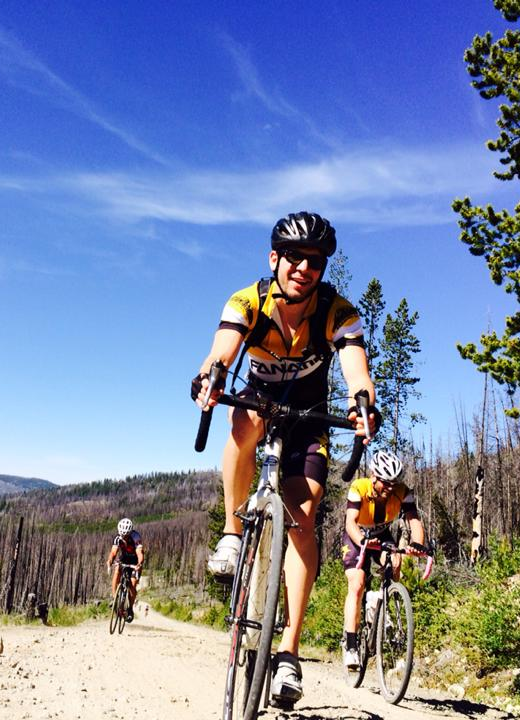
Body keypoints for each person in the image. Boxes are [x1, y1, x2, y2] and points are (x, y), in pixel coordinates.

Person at [192, 211, 378, 706]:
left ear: (322, 267)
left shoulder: (337, 311)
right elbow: (222, 349)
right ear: (274, 258)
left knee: (306, 509)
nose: (303, 267)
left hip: (310, 415)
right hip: (260, 401)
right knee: (243, 422)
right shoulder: (248, 300)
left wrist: (363, 403)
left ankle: (289, 652)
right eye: (294, 257)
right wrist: (209, 377)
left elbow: (356, 367)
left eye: (314, 260)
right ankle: (233, 534)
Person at [340, 449, 428, 671]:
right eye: (386, 483)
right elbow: (350, 523)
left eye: (394, 483)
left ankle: (380, 604)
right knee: (357, 583)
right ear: (374, 476)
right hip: (357, 535)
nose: (390, 488)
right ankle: (350, 646)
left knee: (395, 560)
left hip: (380, 535)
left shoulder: (401, 492)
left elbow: (414, 520)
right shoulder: (359, 488)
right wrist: (361, 541)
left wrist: (418, 544)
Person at [106, 517, 144, 622]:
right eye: (123, 535)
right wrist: (109, 561)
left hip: (135, 562)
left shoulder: (136, 537)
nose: (124, 537)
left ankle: (130, 609)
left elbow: (140, 553)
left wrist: (139, 564)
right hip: (124, 559)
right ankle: (114, 599)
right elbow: (113, 552)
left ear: (130, 533)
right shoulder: (117, 538)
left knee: (132, 584)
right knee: (117, 569)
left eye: (126, 535)